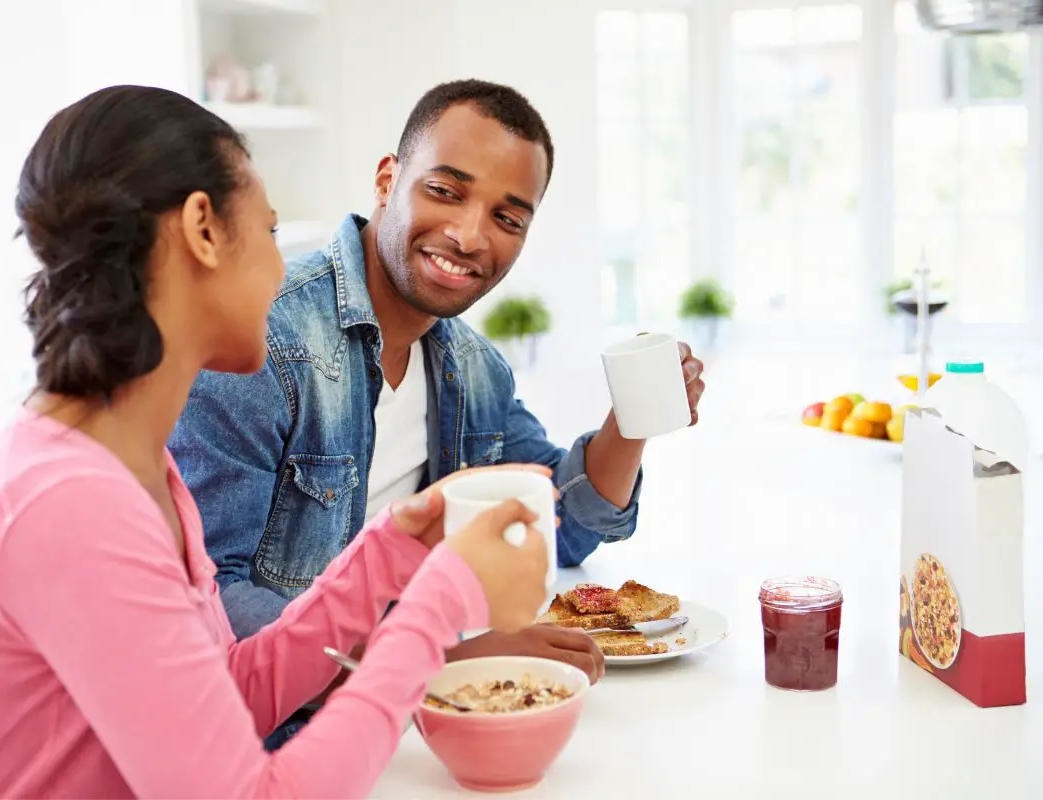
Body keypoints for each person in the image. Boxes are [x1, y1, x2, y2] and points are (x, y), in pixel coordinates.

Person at [0, 84, 553, 799]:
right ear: (202, 229)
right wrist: (442, 603)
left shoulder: (134, 470)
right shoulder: (68, 505)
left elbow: (227, 693)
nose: (282, 270)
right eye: (270, 234)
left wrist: (394, 550)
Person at [169, 78, 707, 747]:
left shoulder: (472, 368)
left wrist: (631, 427)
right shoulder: (262, 343)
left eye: (508, 218)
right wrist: (426, 663)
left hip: (412, 727)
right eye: (446, 191)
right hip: (280, 738)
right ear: (388, 180)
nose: (468, 234)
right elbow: (210, 601)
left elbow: (557, 526)